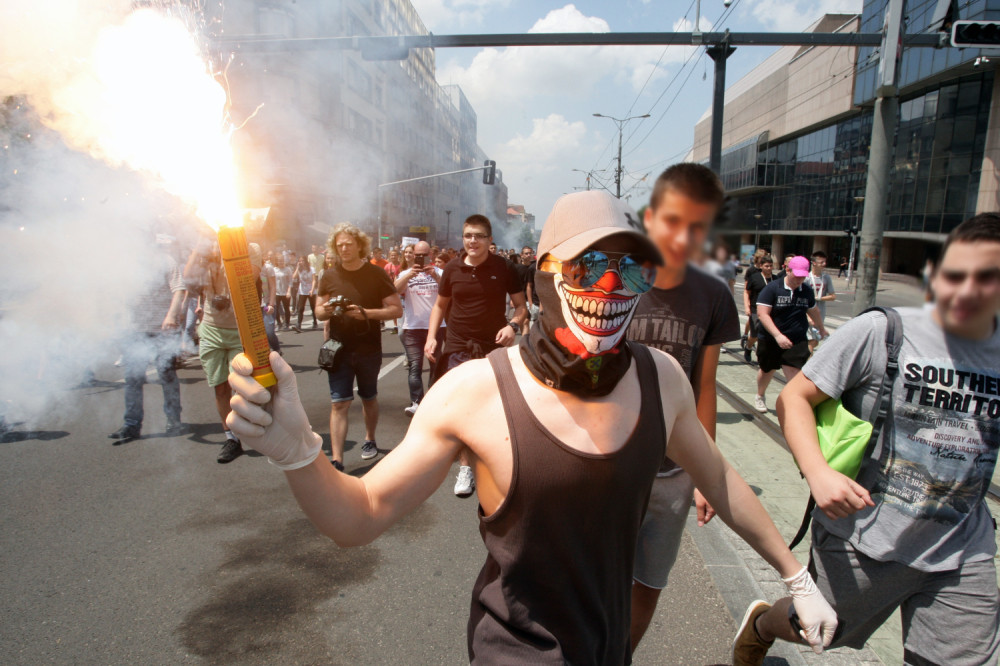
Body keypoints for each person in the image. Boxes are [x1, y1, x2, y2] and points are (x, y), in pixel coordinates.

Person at [227, 190, 838, 664]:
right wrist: (298, 451)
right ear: (545, 272)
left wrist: (796, 576)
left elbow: (721, 479)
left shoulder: (660, 379)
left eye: (630, 269)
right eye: (588, 264)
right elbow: (358, 517)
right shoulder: (474, 392)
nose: (608, 285)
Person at [733, 213, 1000, 666]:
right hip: (865, 536)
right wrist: (818, 473)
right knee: (818, 632)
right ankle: (763, 623)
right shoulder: (884, 331)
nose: (968, 288)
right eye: (958, 273)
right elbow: (794, 399)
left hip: (963, 548)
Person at [625, 164, 741, 648]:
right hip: (610, 460)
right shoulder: (618, 281)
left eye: (697, 227)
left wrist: (705, 473)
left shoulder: (713, 295)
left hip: (672, 471)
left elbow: (705, 386)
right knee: (594, 574)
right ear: (650, 218)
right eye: (672, 221)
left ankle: (620, 654)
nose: (681, 236)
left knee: (649, 582)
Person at [425, 214, 527, 496]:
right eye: (468, 235)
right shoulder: (453, 269)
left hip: (492, 348)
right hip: (458, 347)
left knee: (494, 410)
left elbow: (521, 307)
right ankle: (466, 468)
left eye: (479, 236)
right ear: (463, 237)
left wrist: (512, 326)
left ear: (489, 239)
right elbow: (439, 306)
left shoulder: (504, 267)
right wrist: (432, 337)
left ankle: (496, 463)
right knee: (463, 409)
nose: (473, 241)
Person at [316, 222, 402, 470]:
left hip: (368, 348)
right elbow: (319, 310)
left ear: (359, 245)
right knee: (339, 403)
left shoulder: (376, 274)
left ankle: (370, 438)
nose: (343, 248)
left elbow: (395, 309)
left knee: (368, 397)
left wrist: (366, 313)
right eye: (339, 245)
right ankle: (337, 460)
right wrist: (327, 310)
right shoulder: (329, 275)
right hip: (337, 349)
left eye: (348, 244)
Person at [183, 237, 265, 463]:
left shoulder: (250, 247)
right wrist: (198, 251)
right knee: (219, 387)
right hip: (211, 329)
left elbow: (248, 280)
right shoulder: (204, 249)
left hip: (241, 328)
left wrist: (226, 252)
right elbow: (189, 279)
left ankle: (254, 428)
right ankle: (231, 438)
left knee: (244, 386)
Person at [109, 234, 187, 444]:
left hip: (162, 328)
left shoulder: (165, 261)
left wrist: (171, 315)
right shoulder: (128, 265)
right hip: (135, 330)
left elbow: (179, 290)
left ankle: (173, 420)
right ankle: (131, 425)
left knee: (166, 373)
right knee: (133, 377)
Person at [753, 256, 827, 413]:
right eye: (797, 275)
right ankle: (760, 395)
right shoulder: (772, 288)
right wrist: (778, 336)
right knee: (767, 369)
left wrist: (821, 328)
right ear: (787, 270)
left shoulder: (806, 291)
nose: (800, 279)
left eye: (803, 276)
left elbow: (813, 310)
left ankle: (796, 405)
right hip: (770, 338)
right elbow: (763, 315)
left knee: (794, 373)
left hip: (796, 339)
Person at [395, 241, 445, 416]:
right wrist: (410, 275)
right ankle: (416, 401)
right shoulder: (406, 273)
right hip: (413, 327)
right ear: (413, 255)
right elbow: (394, 290)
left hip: (437, 327)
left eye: (425, 255)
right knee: (415, 366)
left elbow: (451, 291)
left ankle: (432, 400)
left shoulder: (440, 272)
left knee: (435, 365)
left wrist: (436, 277)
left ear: (430, 255)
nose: (421, 258)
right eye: (418, 255)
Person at [743, 254, 776, 364]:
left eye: (771, 266)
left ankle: (762, 354)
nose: (769, 268)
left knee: (768, 334)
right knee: (754, 335)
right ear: (761, 266)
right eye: (767, 266)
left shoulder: (775, 279)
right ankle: (748, 347)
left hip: (771, 311)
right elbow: (747, 292)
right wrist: (747, 307)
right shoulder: (755, 278)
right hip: (755, 310)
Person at [805, 250, 835, 353]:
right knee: (811, 339)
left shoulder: (826, 278)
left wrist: (820, 298)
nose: (824, 264)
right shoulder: (807, 278)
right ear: (814, 263)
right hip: (808, 312)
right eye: (821, 262)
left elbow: (833, 296)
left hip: (821, 312)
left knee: (815, 341)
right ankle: (808, 365)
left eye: (824, 262)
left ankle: (804, 357)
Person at [291, 256, 317, 332]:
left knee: (313, 307)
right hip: (302, 291)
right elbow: (294, 277)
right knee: (300, 308)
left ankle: (315, 322)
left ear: (306, 261)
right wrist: (297, 268)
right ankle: (298, 325)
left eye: (302, 261)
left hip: (311, 290)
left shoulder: (311, 269)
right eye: (300, 261)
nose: (301, 262)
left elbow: (314, 280)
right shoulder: (299, 269)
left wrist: (312, 290)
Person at [273, 254, 292, 331]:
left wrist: (289, 291)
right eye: (279, 260)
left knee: (286, 308)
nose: (281, 262)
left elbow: (290, 281)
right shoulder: (274, 269)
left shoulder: (287, 269)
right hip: (277, 292)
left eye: (282, 260)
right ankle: (279, 323)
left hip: (285, 292)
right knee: (275, 308)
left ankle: (287, 324)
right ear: (277, 261)